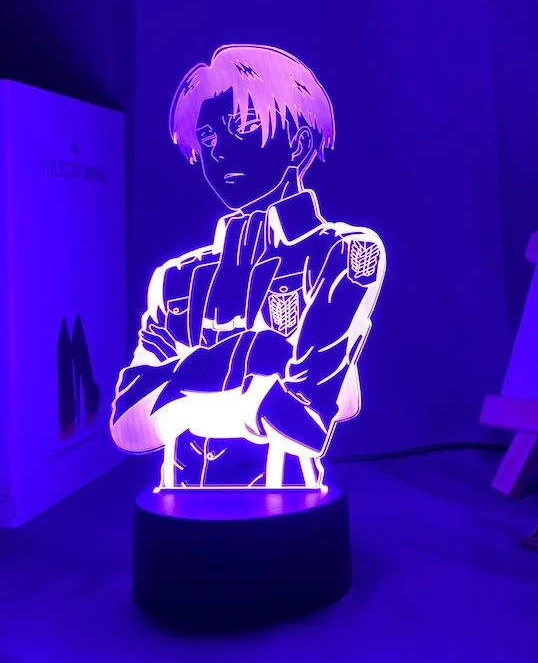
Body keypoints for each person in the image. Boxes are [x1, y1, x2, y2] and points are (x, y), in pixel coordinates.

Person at [110, 45, 385, 489]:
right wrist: (248, 356)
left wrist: (181, 386)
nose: (220, 152)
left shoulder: (344, 252)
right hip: (181, 502)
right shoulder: (177, 277)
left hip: (289, 503)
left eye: (245, 126)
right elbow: (128, 426)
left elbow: (303, 418)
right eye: (208, 138)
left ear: (298, 142)